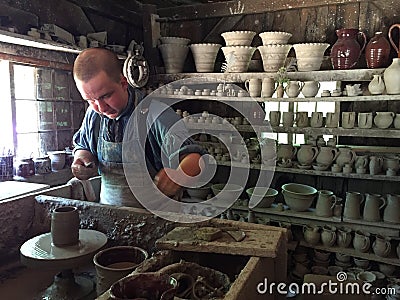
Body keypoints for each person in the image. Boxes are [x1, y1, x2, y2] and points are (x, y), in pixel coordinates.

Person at [71, 47, 204, 207]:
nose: (101, 107)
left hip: (155, 220)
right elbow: (84, 146)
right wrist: (82, 159)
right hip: (110, 215)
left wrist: (179, 174)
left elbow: (196, 159)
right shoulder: (94, 116)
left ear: (123, 83)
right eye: (90, 100)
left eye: (106, 96)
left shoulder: (155, 113)